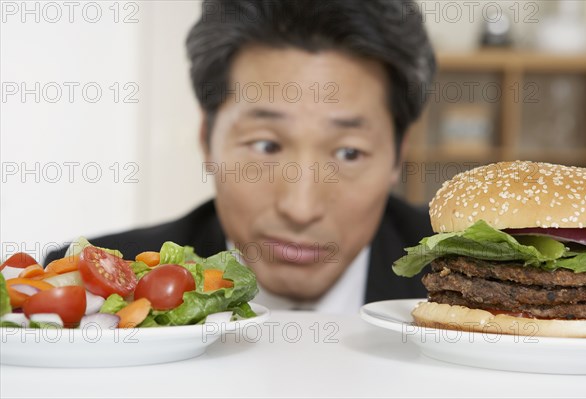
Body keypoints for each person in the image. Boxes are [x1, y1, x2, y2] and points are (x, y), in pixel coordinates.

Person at [46, 0, 436, 314]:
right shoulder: (77, 287)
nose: (300, 209)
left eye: (349, 153)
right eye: (266, 146)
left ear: (396, 158)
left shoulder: (482, 285)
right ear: (206, 140)